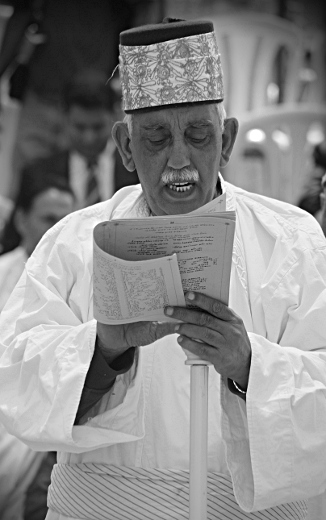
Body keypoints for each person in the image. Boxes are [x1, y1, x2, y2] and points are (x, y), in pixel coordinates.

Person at [0, 17, 325, 520]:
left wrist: (247, 367)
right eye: (155, 138)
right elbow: (14, 379)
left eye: (199, 135)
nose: (180, 161)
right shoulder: (73, 242)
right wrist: (105, 349)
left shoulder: (293, 241)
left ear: (229, 139)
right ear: (125, 147)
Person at [0, 0, 160, 198]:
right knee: (32, 194)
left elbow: (147, 12)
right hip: (43, 96)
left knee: (112, 181)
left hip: (100, 97)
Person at [0, 168, 74, 519]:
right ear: (22, 218)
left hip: (50, 421)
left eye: (66, 219)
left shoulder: (81, 281)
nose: (58, 229)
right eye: (49, 218)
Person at [21, 69, 139, 210]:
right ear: (64, 118)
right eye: (79, 127)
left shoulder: (138, 171)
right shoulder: (39, 173)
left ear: (115, 116)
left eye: (98, 127)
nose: (89, 138)